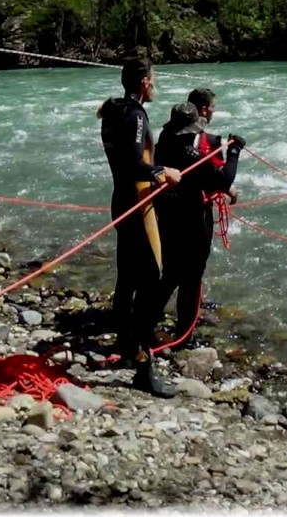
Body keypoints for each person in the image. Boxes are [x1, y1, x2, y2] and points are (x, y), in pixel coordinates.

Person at [97, 60, 182, 397]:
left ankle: (127, 347)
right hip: (137, 205)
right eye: (153, 80)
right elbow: (134, 163)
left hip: (122, 201)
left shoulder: (113, 111)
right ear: (145, 82)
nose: (154, 85)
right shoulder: (133, 115)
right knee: (151, 281)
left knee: (127, 279)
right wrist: (165, 171)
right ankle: (143, 367)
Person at [153, 95, 244, 350]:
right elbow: (224, 179)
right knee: (192, 277)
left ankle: (147, 322)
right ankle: (184, 335)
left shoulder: (162, 145)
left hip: (167, 216)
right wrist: (235, 151)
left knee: (170, 273)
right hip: (192, 218)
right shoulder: (191, 154)